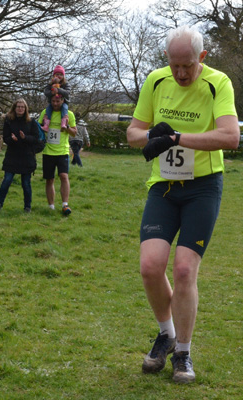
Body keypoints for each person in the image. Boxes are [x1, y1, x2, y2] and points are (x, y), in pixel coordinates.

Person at [126, 25, 240, 384]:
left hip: (203, 188)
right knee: (150, 266)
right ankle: (167, 334)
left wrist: (177, 138)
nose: (180, 73)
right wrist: (152, 135)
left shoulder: (218, 83)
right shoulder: (156, 81)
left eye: (188, 65)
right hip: (163, 187)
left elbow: (231, 136)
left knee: (185, 270)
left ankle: (183, 354)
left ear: (201, 57)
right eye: (174, 65)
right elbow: (132, 133)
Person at [0, 98, 39, 212]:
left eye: (22, 107)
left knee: (26, 183)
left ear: (26, 109)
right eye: (18, 107)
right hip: (12, 155)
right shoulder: (9, 121)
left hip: (27, 156)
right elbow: (5, 137)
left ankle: (27, 207)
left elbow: (36, 138)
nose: (20, 109)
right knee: (7, 180)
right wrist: (12, 139)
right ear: (14, 108)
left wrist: (25, 138)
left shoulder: (31, 122)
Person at [39, 94, 77, 215]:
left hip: (62, 151)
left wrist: (67, 128)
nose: (55, 103)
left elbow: (74, 133)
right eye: (53, 101)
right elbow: (38, 128)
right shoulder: (45, 112)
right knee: (49, 179)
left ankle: (65, 204)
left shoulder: (69, 114)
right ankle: (51, 206)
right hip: (48, 151)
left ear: (62, 100)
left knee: (64, 176)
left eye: (58, 101)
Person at [42, 65, 70, 132]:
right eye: (57, 74)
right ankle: (46, 125)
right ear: (54, 76)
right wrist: (52, 93)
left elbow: (67, 92)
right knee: (48, 109)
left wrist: (58, 90)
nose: (59, 76)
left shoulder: (65, 84)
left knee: (64, 108)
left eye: (61, 75)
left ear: (63, 76)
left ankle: (63, 123)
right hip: (52, 102)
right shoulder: (50, 84)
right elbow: (46, 92)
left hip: (63, 102)